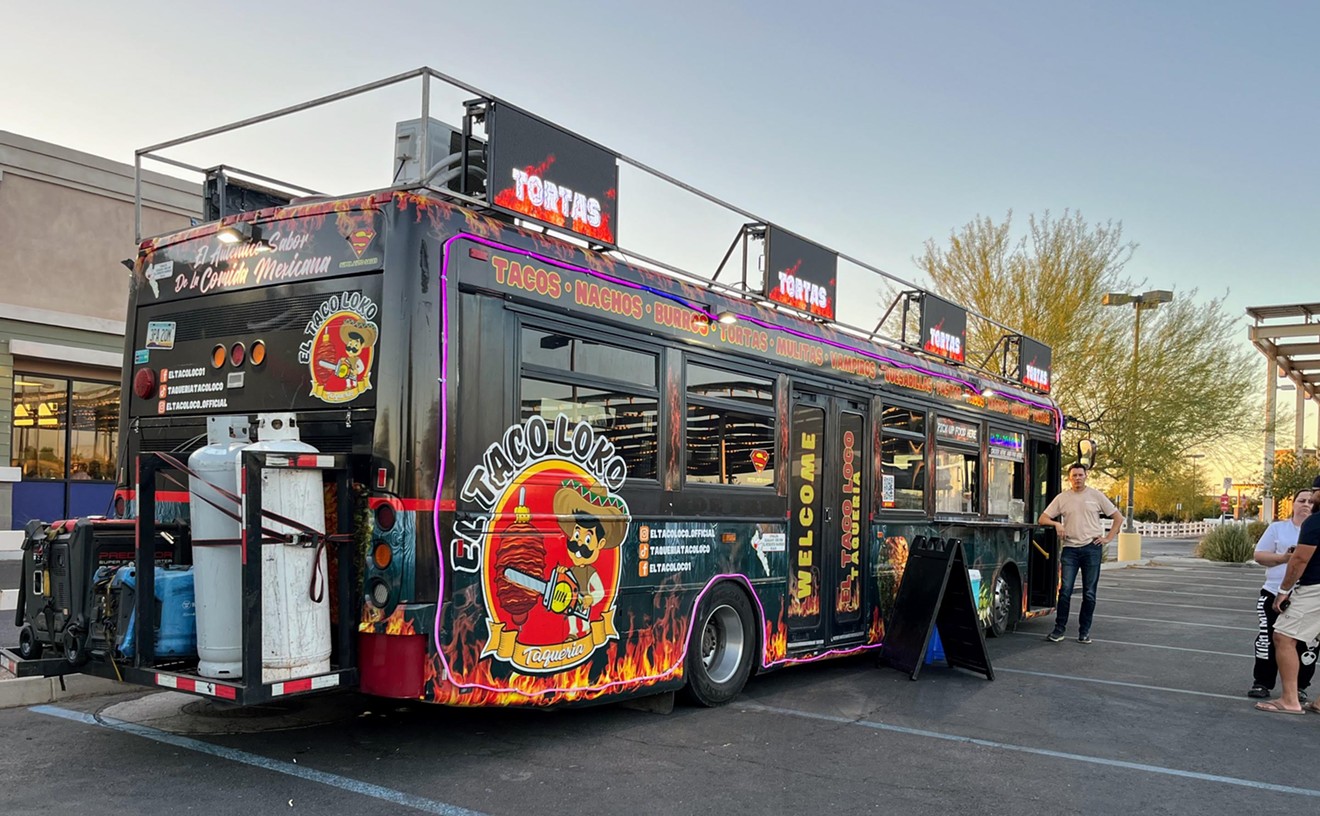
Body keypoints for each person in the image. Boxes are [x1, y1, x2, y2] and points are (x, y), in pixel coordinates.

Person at [1038, 463, 1124, 644]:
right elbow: (1043, 518)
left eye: (1080, 475)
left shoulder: (1096, 496)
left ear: (1086, 476)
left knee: (1089, 592)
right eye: (1074, 475)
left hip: (1091, 548)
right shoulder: (1062, 498)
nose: (1077, 478)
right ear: (1069, 478)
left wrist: (1108, 538)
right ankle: (1058, 630)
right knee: (1065, 591)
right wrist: (1057, 524)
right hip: (1070, 549)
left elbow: (1118, 517)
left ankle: (1084, 632)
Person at [1256, 476, 1320, 714]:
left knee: (1283, 636)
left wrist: (1284, 592)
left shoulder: (1315, 522)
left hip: (1315, 588)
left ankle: (1290, 700)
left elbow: (1300, 560)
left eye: (1314, 493)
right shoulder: (1279, 528)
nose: (1311, 500)